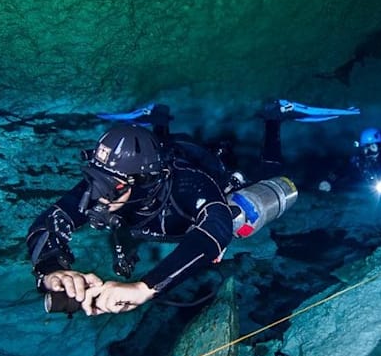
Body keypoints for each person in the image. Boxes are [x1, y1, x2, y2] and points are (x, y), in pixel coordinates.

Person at [27, 105, 240, 317]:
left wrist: (145, 288)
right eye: (93, 179)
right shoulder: (102, 186)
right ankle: (158, 118)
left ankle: (271, 118)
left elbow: (218, 227)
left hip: (198, 161)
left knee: (256, 169)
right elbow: (48, 222)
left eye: (111, 187)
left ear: (141, 185)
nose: (98, 196)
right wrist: (51, 268)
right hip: (151, 161)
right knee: (158, 144)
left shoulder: (190, 185)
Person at [318, 126, 381, 193]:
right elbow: (342, 169)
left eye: (373, 147)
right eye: (366, 148)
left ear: (379, 146)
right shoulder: (359, 160)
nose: (369, 152)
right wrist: (328, 181)